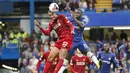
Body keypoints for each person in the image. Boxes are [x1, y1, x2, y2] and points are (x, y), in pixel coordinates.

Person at [34, 3, 74, 73]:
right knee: (50, 57)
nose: (52, 16)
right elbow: (47, 33)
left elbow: (70, 25)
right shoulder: (51, 23)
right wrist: (39, 26)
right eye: (50, 15)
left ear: (55, 13)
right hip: (60, 39)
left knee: (61, 57)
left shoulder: (62, 17)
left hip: (68, 38)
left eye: (53, 14)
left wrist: (72, 30)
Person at [58, 8, 99, 73]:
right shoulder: (70, 19)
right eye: (76, 13)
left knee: (88, 52)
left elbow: (81, 25)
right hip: (72, 41)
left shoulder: (83, 19)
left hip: (80, 41)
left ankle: (97, 63)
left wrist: (74, 19)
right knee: (66, 59)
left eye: (78, 13)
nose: (76, 14)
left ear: (81, 14)